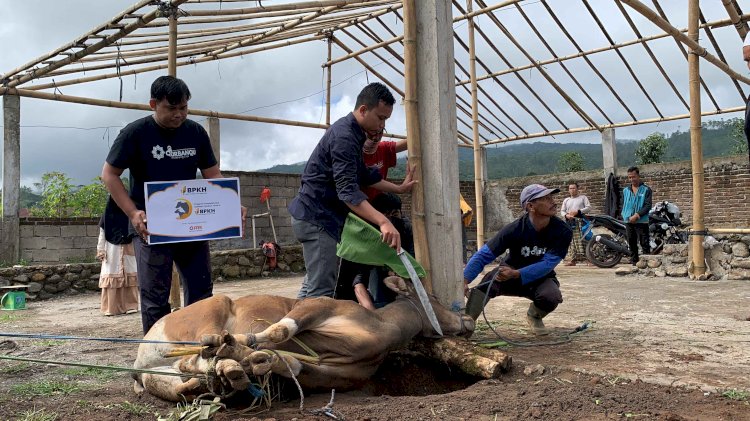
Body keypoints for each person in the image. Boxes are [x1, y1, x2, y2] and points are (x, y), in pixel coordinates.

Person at [101, 75, 246, 334]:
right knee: (155, 296)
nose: (179, 115)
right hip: (151, 226)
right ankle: (157, 352)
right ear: (153, 104)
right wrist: (133, 213)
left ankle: (200, 346)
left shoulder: (195, 133)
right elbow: (109, 174)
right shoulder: (135, 133)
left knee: (201, 291)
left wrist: (231, 202)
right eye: (171, 108)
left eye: (184, 108)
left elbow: (213, 175)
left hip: (191, 225)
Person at [288, 82, 415, 299]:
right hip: (317, 218)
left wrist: (399, 188)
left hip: (315, 217)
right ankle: (307, 331)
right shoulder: (345, 137)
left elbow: (364, 174)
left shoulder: (354, 133)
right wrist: (383, 222)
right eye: (381, 117)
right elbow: (348, 191)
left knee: (312, 286)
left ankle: (292, 329)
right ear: (364, 110)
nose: (382, 125)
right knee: (321, 292)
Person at [463, 184, 572, 335]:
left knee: (552, 296)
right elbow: (484, 255)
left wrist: (517, 273)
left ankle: (534, 316)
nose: (553, 202)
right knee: (486, 284)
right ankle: (466, 324)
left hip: (540, 277)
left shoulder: (563, 231)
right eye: (546, 199)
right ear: (530, 206)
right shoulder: (513, 229)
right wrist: (464, 280)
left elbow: (548, 264)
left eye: (551, 197)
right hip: (509, 273)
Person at [96, 217, 139, 317]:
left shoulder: (129, 213)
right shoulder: (107, 215)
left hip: (129, 246)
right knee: (112, 275)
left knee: (130, 275)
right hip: (112, 249)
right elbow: (102, 233)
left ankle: (130, 306)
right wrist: (101, 249)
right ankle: (111, 307)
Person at [621, 166, 652, 265]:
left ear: (638, 176)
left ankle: (647, 263)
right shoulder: (625, 191)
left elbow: (648, 205)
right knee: (632, 242)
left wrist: (637, 215)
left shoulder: (646, 189)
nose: (632, 179)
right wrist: (624, 214)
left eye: (633, 177)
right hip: (628, 220)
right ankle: (634, 262)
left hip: (641, 221)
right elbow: (622, 204)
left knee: (644, 242)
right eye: (629, 177)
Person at [560, 182, 591, 266]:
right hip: (570, 223)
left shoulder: (583, 198)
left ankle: (589, 259)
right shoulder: (566, 200)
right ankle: (573, 260)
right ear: (568, 190)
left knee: (584, 240)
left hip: (581, 222)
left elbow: (588, 208)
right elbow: (562, 211)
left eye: (574, 188)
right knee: (572, 241)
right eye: (570, 188)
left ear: (577, 189)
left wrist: (578, 211)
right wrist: (566, 215)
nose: (572, 190)